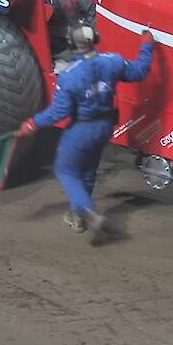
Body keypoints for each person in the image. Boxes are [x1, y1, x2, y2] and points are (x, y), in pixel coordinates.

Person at [16, 24, 154, 242]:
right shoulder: (113, 62)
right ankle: (78, 216)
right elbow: (140, 70)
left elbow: (58, 112)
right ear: (95, 40)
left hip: (83, 128)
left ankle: (87, 212)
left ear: (72, 45)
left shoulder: (69, 76)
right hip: (105, 126)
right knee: (88, 170)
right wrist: (147, 45)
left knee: (65, 169)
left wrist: (33, 123)